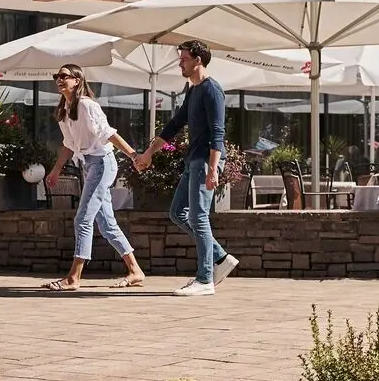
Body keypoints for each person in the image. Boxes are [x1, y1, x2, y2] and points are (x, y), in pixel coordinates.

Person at [134, 39, 237, 296]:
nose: (180, 63)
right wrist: (148, 154)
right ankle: (221, 258)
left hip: (205, 161)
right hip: (193, 160)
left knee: (198, 217)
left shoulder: (212, 90)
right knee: (177, 212)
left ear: (198, 60)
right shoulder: (192, 90)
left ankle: (205, 280)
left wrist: (213, 169)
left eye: (184, 59)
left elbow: (218, 132)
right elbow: (174, 125)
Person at [42, 64, 147, 291]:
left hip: (102, 164)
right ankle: (135, 270)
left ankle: (73, 277)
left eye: (64, 76)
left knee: (82, 219)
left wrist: (133, 156)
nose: (59, 80)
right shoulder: (64, 110)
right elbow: (69, 146)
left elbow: (108, 134)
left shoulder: (88, 105)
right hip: (89, 165)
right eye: (56, 76)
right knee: (106, 224)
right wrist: (56, 170)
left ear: (77, 80)